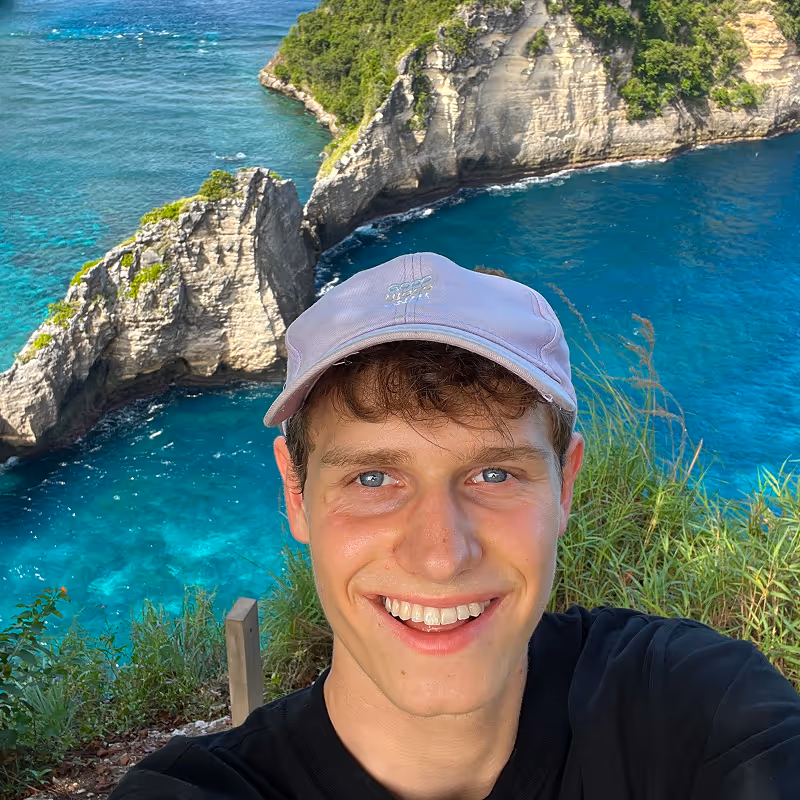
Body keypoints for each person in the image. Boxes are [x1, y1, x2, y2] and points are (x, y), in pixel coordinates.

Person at [110, 252, 800, 800]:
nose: (441, 555)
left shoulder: (695, 706)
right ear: (296, 494)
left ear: (564, 486)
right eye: (373, 478)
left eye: (494, 474)